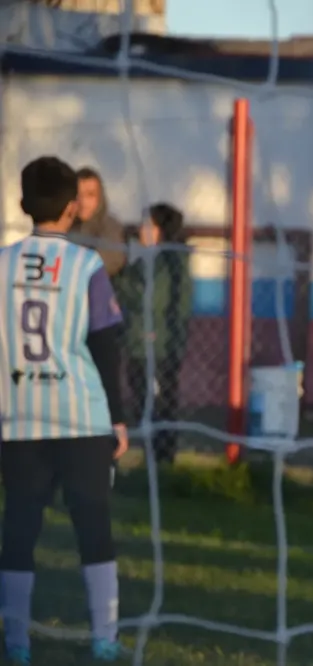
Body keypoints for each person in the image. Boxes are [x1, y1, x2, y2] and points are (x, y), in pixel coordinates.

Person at [0, 156, 129, 663]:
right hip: (81, 416)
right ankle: (105, 639)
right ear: (74, 208)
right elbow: (105, 344)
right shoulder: (86, 265)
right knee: (94, 526)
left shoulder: (2, 263)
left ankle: (16, 643)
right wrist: (118, 417)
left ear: (22, 204)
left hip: (17, 417)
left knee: (19, 528)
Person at [117, 203, 193, 464]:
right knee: (144, 401)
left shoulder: (169, 263)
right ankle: (156, 455)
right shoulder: (151, 259)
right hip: (144, 342)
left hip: (156, 344)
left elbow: (147, 298)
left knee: (158, 403)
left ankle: (162, 456)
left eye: (148, 225)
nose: (142, 230)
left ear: (162, 230)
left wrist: (120, 283)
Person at [74, 167, 126, 278]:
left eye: (90, 195)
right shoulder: (63, 226)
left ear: (100, 198)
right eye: (78, 195)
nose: (83, 202)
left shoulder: (111, 229)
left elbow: (104, 264)